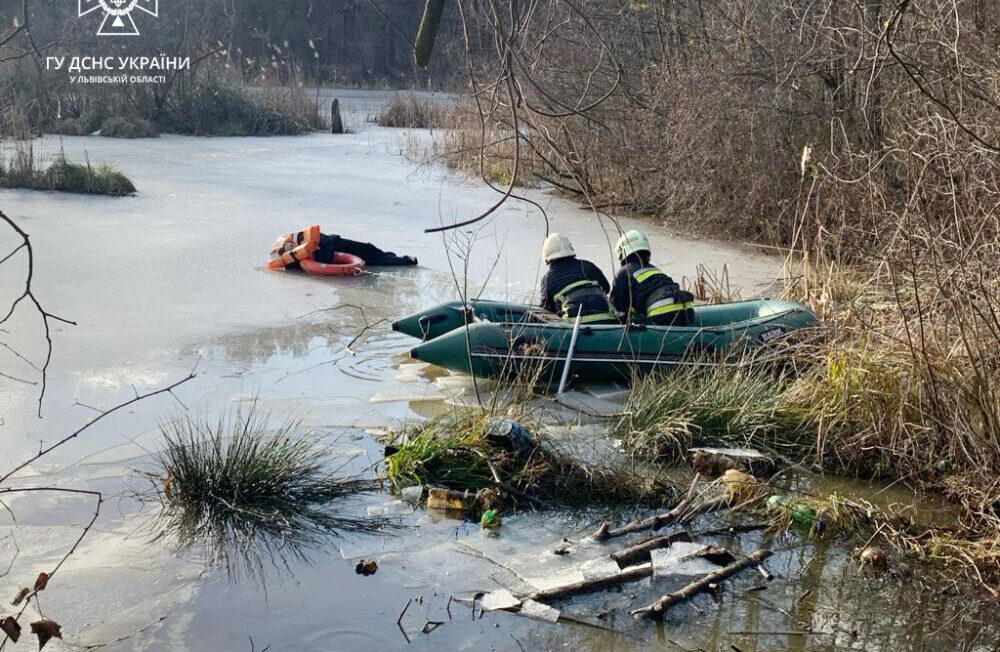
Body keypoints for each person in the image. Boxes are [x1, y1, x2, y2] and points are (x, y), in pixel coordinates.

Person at [609, 229, 695, 326]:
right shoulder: (654, 270)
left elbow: (617, 307)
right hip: (687, 312)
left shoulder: (624, 272)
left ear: (622, 253)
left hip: (662, 316)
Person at [538, 233, 617, 324]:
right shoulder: (588, 266)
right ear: (570, 249)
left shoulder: (547, 279)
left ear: (547, 256)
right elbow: (606, 288)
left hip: (573, 327)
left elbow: (546, 308)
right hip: (608, 322)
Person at [270, 226, 417, 268]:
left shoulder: (310, 239)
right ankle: (402, 259)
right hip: (347, 253)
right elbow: (325, 259)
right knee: (375, 256)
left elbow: (327, 251)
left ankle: (398, 258)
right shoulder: (298, 258)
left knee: (372, 251)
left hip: (344, 246)